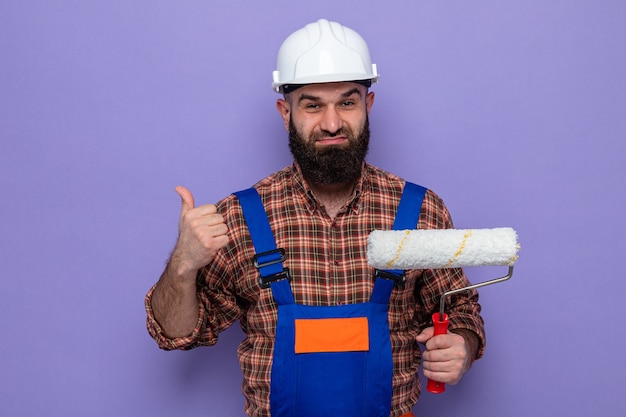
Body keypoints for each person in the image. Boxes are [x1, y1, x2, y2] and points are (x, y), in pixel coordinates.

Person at [145, 18, 485, 417]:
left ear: (368, 105)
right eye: (312, 105)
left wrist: (462, 344)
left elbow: (461, 309)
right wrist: (183, 264)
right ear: (285, 111)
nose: (332, 123)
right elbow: (176, 334)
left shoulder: (420, 210)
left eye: (347, 101)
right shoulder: (238, 218)